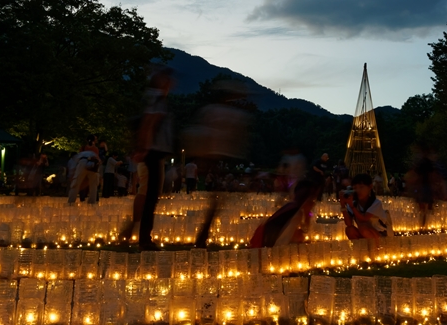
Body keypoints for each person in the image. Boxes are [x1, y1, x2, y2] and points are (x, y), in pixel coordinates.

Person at [181, 79, 251, 248]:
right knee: (217, 200)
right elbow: (236, 138)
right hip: (220, 158)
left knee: (217, 199)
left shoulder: (211, 110)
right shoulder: (232, 114)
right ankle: (203, 235)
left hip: (213, 157)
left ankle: (204, 234)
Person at [132, 68, 175, 249]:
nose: (171, 83)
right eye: (167, 80)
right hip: (153, 151)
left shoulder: (153, 98)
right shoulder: (157, 99)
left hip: (153, 151)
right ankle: (144, 238)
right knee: (151, 195)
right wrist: (143, 148)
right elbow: (149, 123)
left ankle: (142, 235)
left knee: (151, 195)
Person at [249, 179, 319, 248]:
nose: (314, 204)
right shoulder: (296, 214)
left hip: (264, 243)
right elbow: (282, 243)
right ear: (306, 199)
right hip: (267, 248)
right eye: (313, 200)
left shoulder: (291, 206)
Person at [340, 173, 392, 239]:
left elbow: (364, 219)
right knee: (349, 230)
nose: (358, 190)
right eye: (355, 188)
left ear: (370, 187)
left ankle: (374, 246)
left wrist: (352, 206)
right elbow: (349, 224)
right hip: (364, 233)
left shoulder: (375, 203)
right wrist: (343, 205)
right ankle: (360, 245)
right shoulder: (354, 203)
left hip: (380, 235)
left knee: (363, 227)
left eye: (361, 187)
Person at [67, 140, 101, 205]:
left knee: (76, 183)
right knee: (93, 185)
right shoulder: (93, 152)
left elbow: (73, 166)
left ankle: (71, 201)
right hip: (94, 164)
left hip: (83, 162)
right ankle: (92, 202)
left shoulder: (78, 155)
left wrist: (72, 175)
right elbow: (99, 161)